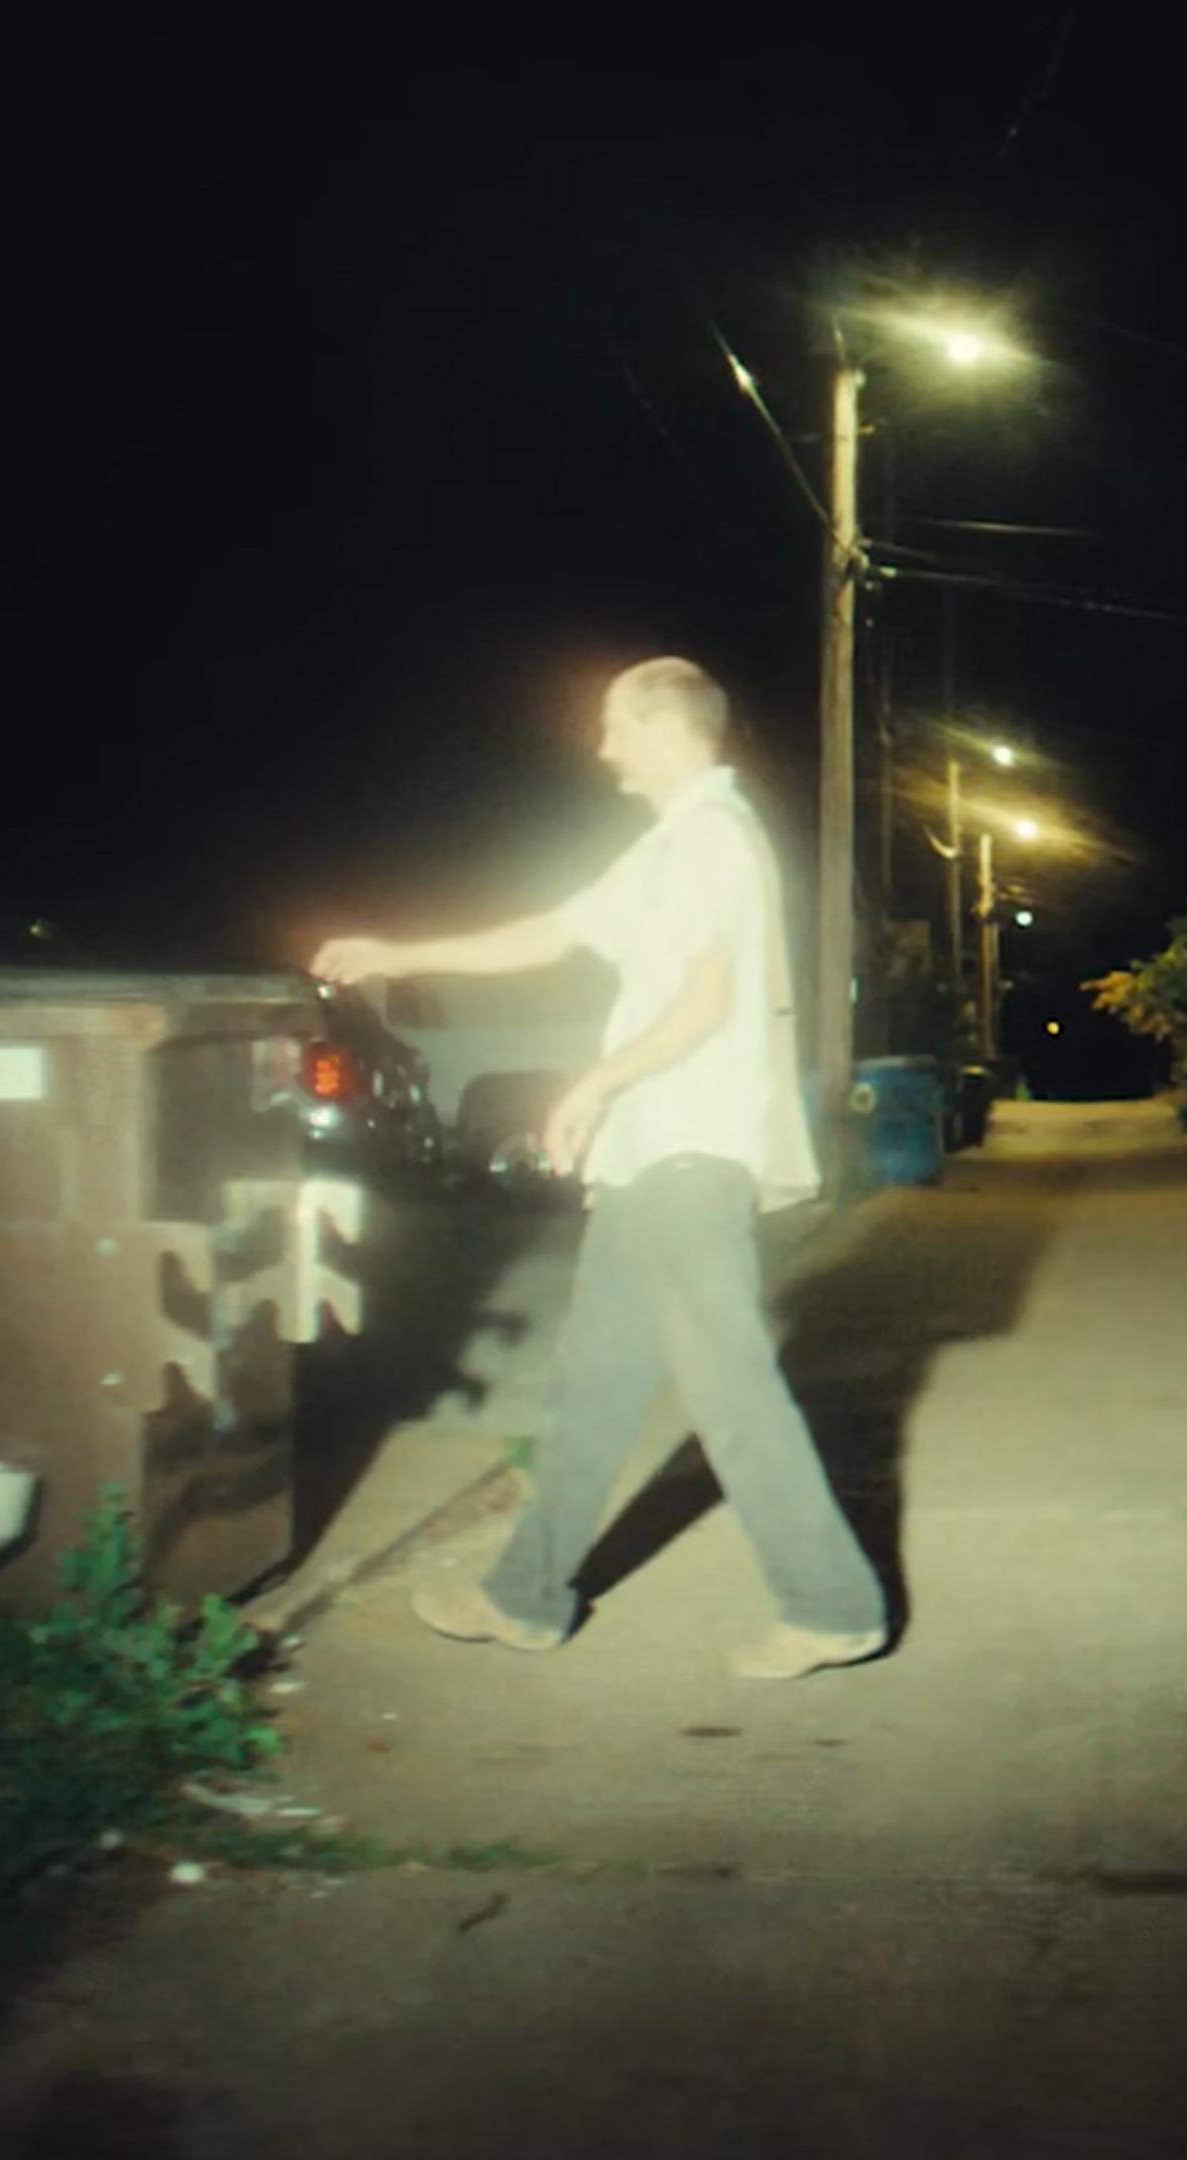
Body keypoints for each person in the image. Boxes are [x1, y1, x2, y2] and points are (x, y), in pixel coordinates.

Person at [309, 657, 889, 1680]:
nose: (602, 748)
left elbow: (708, 1002)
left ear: (666, 728)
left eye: (616, 727)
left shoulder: (713, 840)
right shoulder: (667, 849)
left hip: (687, 1150)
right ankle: (527, 1597)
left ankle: (833, 1603)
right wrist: (397, 954)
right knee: (594, 1385)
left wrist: (591, 1085)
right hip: (647, 1158)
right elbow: (549, 933)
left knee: (730, 1387)